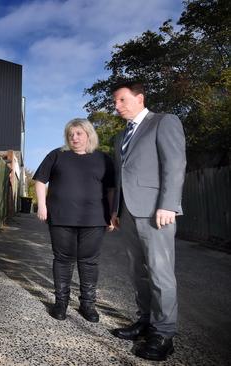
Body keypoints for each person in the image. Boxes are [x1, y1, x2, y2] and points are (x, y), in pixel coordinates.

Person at [109, 80, 186, 361]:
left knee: (159, 272)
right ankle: (145, 321)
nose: (116, 107)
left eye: (121, 101)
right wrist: (116, 210)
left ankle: (164, 334)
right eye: (115, 102)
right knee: (137, 271)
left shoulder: (163, 122)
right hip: (129, 212)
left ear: (139, 98)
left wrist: (168, 204)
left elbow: (175, 164)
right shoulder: (121, 137)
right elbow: (121, 177)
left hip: (156, 212)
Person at [33, 118, 115, 323]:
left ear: (89, 135)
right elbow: (41, 180)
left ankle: (88, 304)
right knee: (63, 260)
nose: (74, 137)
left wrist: (113, 213)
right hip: (61, 217)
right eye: (71, 134)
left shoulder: (103, 159)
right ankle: (61, 302)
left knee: (88, 262)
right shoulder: (57, 155)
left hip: (95, 219)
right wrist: (42, 206)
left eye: (79, 133)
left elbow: (112, 189)